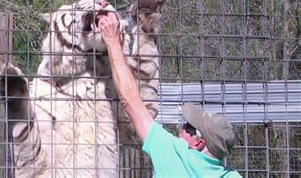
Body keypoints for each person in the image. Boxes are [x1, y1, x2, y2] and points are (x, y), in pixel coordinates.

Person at [97, 12, 242, 177]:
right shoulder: (230, 175)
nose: (182, 127)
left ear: (198, 143)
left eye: (188, 127)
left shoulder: (174, 154)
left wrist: (112, 41)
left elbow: (130, 101)